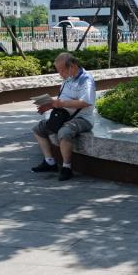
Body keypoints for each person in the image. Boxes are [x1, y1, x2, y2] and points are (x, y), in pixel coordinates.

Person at [31, 52, 96, 181]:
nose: (60, 74)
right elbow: (62, 99)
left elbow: (86, 102)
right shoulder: (67, 79)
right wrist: (50, 105)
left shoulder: (86, 79)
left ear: (72, 66)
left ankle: (67, 167)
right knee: (39, 129)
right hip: (64, 115)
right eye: (58, 70)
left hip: (83, 119)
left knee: (64, 132)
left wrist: (61, 103)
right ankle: (50, 162)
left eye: (62, 70)